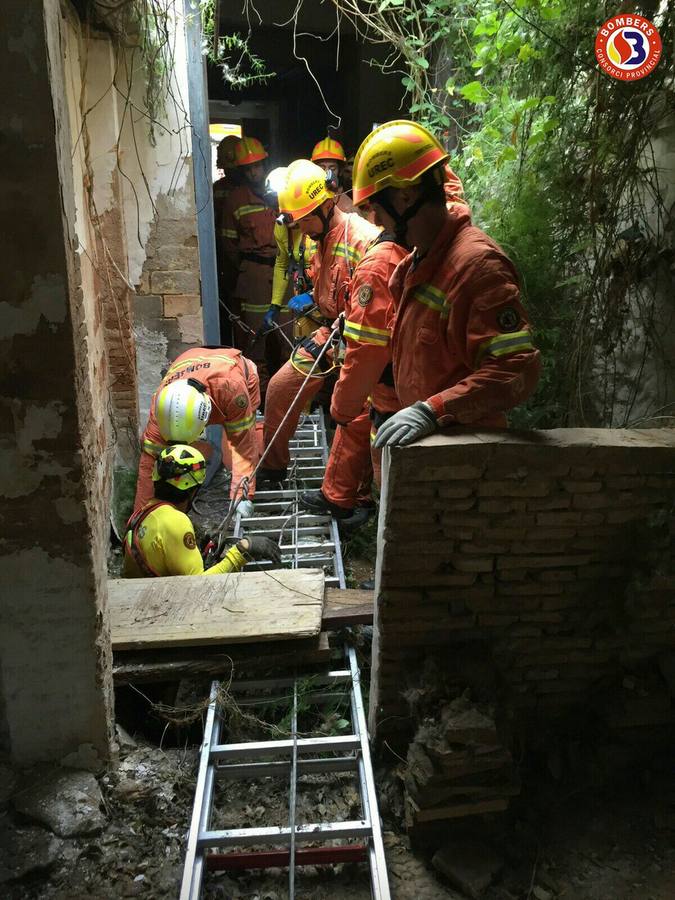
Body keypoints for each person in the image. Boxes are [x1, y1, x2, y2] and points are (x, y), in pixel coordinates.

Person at [348, 119, 540, 448]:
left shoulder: (476, 268)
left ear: (405, 197)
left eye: (377, 209)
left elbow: (516, 368)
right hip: (432, 452)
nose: (376, 222)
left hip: (466, 458)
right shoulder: (419, 262)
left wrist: (433, 411)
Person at [260, 159, 380, 481]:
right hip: (330, 333)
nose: (300, 230)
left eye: (303, 222)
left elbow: (375, 302)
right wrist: (313, 298)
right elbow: (329, 285)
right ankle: (273, 467)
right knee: (279, 387)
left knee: (356, 412)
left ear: (325, 206)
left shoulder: (363, 239)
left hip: (359, 340)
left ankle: (358, 493)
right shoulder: (320, 240)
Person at [299, 227, 408, 518]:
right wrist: (347, 317)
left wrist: (341, 406)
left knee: (363, 430)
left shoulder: (377, 260)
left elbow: (366, 353)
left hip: (391, 387)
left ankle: (356, 501)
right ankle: (346, 497)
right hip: (394, 383)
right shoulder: (405, 252)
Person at [133, 347, 260, 515]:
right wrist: (141, 515)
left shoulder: (232, 390)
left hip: (238, 375)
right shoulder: (161, 408)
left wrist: (243, 496)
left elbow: (243, 445)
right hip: (193, 363)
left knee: (236, 447)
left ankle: (246, 488)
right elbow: (148, 466)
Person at [124, 445, 280, 578]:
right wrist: (243, 550)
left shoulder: (142, 514)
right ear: (193, 490)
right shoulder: (176, 522)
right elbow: (199, 585)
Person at [221, 136, 277, 392]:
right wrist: (245, 270)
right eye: (249, 168)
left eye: (258, 166)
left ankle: (286, 394)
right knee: (255, 341)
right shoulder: (236, 199)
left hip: (282, 271)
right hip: (253, 274)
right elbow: (229, 246)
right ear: (243, 171)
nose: (255, 171)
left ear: (265, 166)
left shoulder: (279, 191)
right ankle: (259, 398)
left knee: (287, 338)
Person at [213, 135, 243, 342]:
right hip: (223, 255)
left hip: (242, 257)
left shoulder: (253, 192)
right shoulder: (217, 190)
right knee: (226, 306)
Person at [311, 137, 355, 212]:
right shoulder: (306, 197)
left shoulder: (348, 207)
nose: (327, 173)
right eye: (322, 168)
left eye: (332, 168)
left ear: (340, 171)